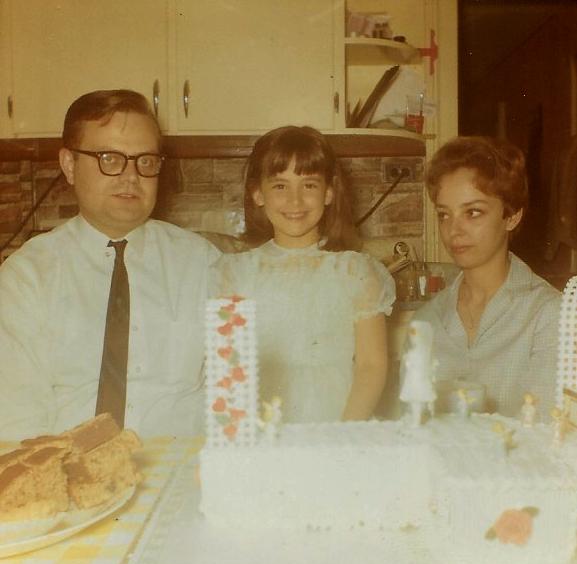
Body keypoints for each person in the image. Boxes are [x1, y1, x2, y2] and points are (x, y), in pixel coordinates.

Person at [0, 89, 219, 439]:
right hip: (69, 465)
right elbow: (15, 418)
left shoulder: (203, 264)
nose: (131, 176)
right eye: (110, 158)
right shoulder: (27, 276)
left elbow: (232, 397)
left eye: (145, 161)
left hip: (181, 463)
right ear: (69, 165)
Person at [211, 125, 395, 423]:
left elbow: (371, 365)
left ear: (329, 192)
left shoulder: (356, 272)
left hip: (340, 423)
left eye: (309, 185)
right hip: (263, 428)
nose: (295, 201)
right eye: (280, 186)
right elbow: (229, 370)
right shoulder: (234, 274)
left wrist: (345, 433)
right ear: (257, 193)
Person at [412, 136, 560, 421]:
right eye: (444, 215)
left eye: (473, 212)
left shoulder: (548, 314)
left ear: (511, 217)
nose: (454, 230)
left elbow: (546, 429)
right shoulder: (426, 320)